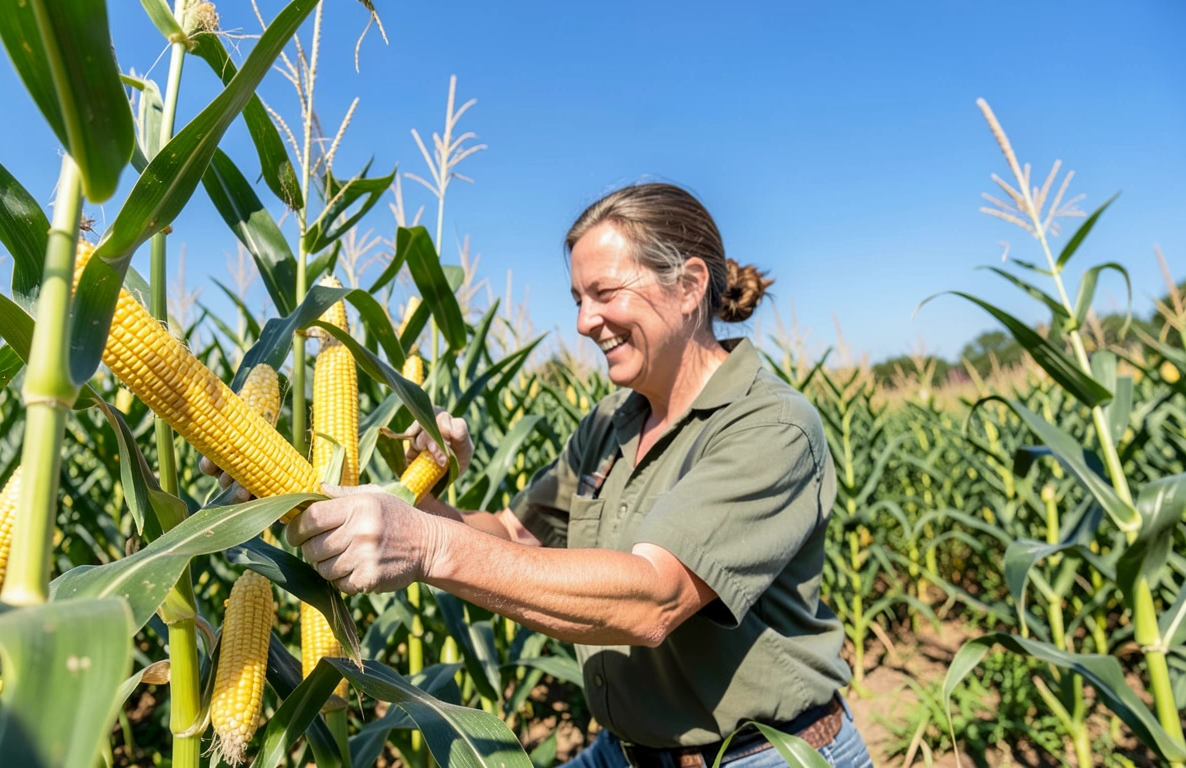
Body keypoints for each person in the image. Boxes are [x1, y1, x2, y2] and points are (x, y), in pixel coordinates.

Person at [206, 183, 872, 767]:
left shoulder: (768, 426)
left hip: (761, 755)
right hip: (629, 751)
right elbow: (511, 538)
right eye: (578, 298)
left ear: (691, 286)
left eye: (605, 293)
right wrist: (411, 492)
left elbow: (654, 600)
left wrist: (428, 543)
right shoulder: (612, 422)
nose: (583, 322)